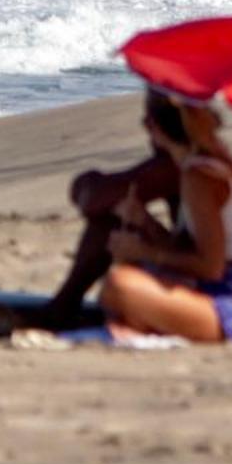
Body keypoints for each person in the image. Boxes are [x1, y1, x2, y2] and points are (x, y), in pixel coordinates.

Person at [97, 91, 232, 343]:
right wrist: (144, 222)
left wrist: (144, 252)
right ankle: (143, 323)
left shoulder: (200, 177)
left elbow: (211, 267)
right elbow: (188, 250)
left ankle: (141, 324)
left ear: (153, 127)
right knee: (132, 275)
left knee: (119, 284)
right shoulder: (208, 165)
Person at [40, 132, 181, 329]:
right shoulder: (195, 162)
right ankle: (64, 305)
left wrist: (148, 252)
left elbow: (93, 199)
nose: (145, 126)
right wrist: (146, 222)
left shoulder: (176, 166)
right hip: (203, 269)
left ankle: (63, 306)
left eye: (149, 119)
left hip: (210, 283)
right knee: (117, 213)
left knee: (108, 219)